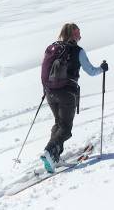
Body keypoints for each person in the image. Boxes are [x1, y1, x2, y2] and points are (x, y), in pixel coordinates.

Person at [40, 22, 108, 173]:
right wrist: (102, 69)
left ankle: (54, 156)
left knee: (58, 124)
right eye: (79, 33)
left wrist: (46, 90)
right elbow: (91, 71)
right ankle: (49, 151)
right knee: (65, 128)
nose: (80, 36)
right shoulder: (78, 51)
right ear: (74, 34)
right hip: (67, 93)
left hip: (50, 93)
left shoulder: (54, 48)